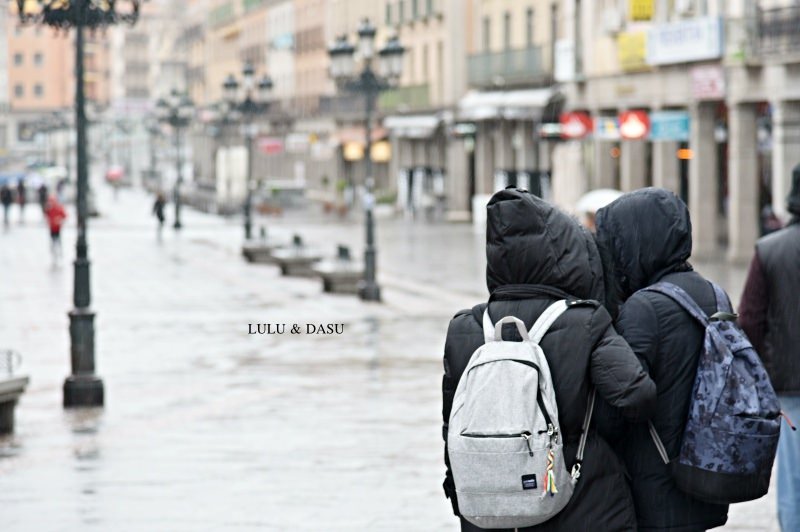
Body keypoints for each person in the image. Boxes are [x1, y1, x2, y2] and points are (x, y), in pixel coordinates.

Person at [442, 187, 657, 531]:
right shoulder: (585, 321)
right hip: (582, 500)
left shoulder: (465, 327)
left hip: (489, 508)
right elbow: (637, 395)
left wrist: (460, 492)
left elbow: (451, 423)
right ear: (565, 255)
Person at [595, 188, 731, 531]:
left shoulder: (644, 307)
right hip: (706, 473)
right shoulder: (715, 293)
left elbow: (622, 405)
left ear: (637, 240)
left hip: (656, 485)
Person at [739, 163, 800, 532]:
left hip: (788, 386)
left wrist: (758, 383)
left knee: (793, 483)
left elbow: (750, 322)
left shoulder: (769, 250)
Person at [44, 195, 67, 260]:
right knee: (53, 239)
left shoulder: (58, 208)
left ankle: (59, 251)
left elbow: (64, 216)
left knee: (58, 239)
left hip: (57, 227)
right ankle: (54, 250)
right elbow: (46, 214)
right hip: (52, 227)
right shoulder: (49, 208)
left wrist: (59, 220)